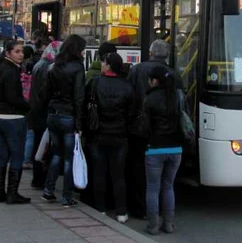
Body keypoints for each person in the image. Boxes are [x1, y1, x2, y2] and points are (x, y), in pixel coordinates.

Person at [126, 39, 182, 219]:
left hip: (139, 130)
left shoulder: (136, 70)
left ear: (150, 53)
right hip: (168, 135)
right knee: (166, 181)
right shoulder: (174, 74)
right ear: (166, 55)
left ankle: (141, 209)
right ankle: (166, 216)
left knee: (140, 172)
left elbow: (129, 97)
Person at [87, 52, 135, 223]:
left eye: (103, 62)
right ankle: (121, 211)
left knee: (100, 174)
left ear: (108, 65)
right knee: (118, 175)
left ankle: (100, 209)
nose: (101, 65)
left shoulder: (95, 82)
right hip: (120, 136)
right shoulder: (127, 86)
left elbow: (87, 105)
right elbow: (132, 113)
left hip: (99, 134)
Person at [40, 34, 86, 207]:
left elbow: (45, 93)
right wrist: (79, 124)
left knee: (56, 154)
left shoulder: (55, 66)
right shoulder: (77, 68)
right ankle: (66, 197)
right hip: (68, 116)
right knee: (69, 158)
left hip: (53, 114)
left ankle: (48, 190)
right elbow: (79, 97)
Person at [142, 66, 184, 235]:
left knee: (153, 188)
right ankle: (168, 224)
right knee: (168, 186)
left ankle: (153, 225)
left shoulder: (150, 98)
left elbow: (144, 127)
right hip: (176, 149)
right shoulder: (178, 96)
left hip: (155, 149)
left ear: (155, 80)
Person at [0, 40, 31, 204]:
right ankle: (12, 193)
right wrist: (28, 107)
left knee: (2, 154)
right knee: (16, 155)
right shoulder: (11, 71)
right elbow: (13, 97)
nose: (20, 54)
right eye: (17, 51)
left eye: (21, 51)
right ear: (8, 53)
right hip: (12, 118)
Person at [28, 40, 61, 189]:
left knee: (39, 145)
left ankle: (38, 178)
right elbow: (45, 93)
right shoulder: (49, 67)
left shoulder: (40, 64)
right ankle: (41, 179)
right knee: (45, 148)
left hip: (36, 112)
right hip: (43, 113)